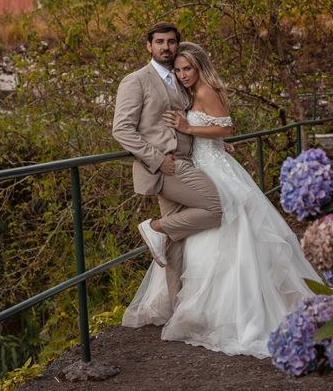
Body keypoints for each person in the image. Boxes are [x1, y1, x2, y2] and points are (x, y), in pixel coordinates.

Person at [122, 41, 321, 358]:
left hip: (213, 168)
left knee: (228, 220)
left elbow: (226, 125)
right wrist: (202, 136)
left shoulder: (206, 90)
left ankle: (220, 308)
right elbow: (210, 129)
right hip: (199, 163)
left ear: (199, 67)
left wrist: (193, 129)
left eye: (188, 68)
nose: (183, 74)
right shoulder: (188, 93)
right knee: (203, 229)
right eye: (178, 69)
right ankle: (190, 306)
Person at [112, 23, 222, 317]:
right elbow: (121, 130)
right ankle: (153, 227)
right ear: (148, 46)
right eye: (159, 42)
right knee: (214, 208)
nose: (166, 47)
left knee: (175, 242)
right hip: (165, 168)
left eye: (171, 42)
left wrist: (215, 141)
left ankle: (178, 314)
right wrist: (159, 160)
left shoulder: (180, 77)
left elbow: (191, 120)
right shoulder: (136, 81)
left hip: (189, 160)